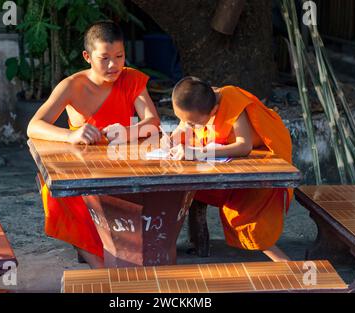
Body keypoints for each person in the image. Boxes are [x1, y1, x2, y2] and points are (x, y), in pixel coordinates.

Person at [27, 21, 160, 268]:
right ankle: (102, 269)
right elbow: (34, 126)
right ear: (87, 57)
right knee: (61, 193)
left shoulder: (131, 79)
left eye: (119, 56)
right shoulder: (72, 85)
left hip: (121, 164)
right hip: (82, 167)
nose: (114, 65)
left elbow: (152, 122)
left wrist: (126, 132)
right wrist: (70, 136)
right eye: (105, 58)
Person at [162, 76, 293, 262]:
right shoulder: (199, 104)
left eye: (193, 124)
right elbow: (184, 124)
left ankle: (287, 264)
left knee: (245, 218)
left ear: (214, 111)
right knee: (185, 187)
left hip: (262, 162)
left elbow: (244, 146)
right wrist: (172, 138)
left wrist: (198, 152)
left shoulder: (231, 101)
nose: (187, 126)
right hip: (229, 164)